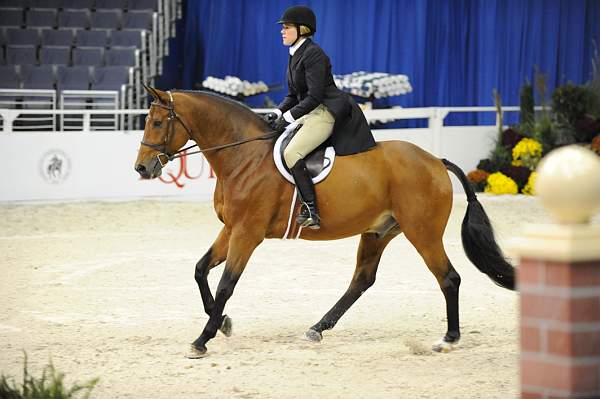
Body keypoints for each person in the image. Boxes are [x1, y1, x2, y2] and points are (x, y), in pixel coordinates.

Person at [264, 5, 376, 230]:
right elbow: (293, 95)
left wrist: (288, 118)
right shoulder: (295, 53)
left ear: (302, 29)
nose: (282, 31)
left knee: (291, 152)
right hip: (308, 112)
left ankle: (310, 209)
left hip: (324, 111)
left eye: (286, 27)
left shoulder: (313, 54)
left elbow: (314, 96)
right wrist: (277, 112)